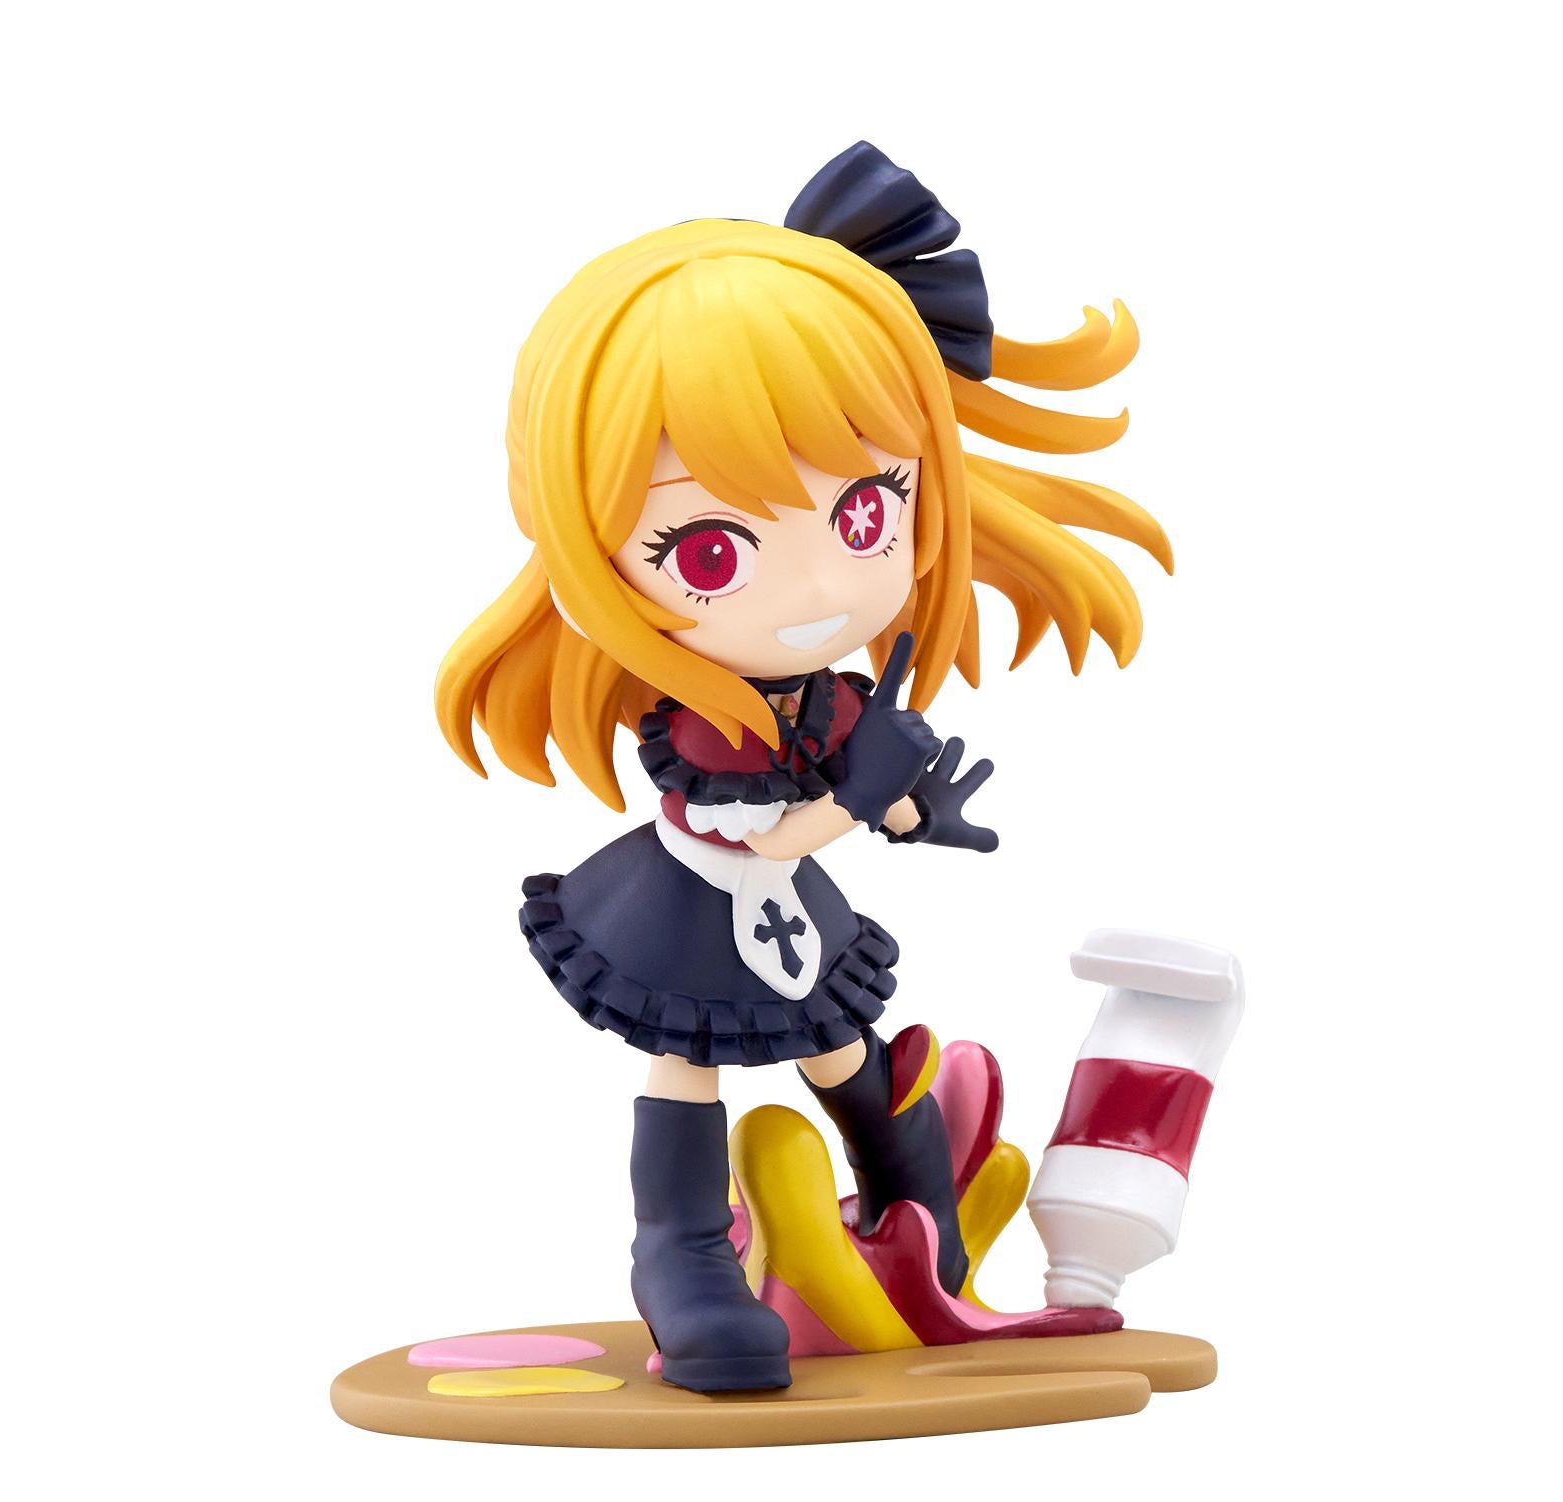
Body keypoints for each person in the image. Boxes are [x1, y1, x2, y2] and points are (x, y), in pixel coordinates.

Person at [435, 143, 1171, 1392]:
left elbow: (851, 790)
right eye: (710, 551)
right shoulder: (707, 721)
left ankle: (914, 1206)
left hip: (791, 916)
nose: (823, 586)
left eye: (865, 511)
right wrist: (854, 800)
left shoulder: (828, 698)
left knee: (842, 1051)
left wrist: (912, 806)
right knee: (687, 1059)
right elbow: (760, 834)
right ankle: (681, 1254)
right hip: (686, 907)